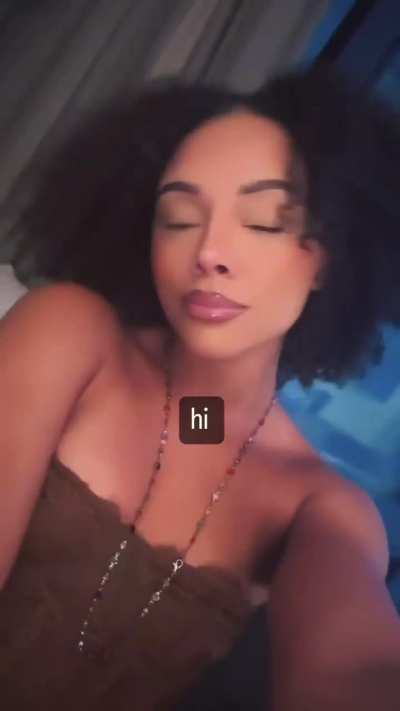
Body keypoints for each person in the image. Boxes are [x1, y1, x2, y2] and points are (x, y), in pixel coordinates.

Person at [1, 64, 400, 711]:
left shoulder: (322, 507)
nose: (209, 251)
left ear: (328, 257)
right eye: (179, 218)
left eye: (264, 221)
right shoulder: (71, 334)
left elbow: (356, 669)